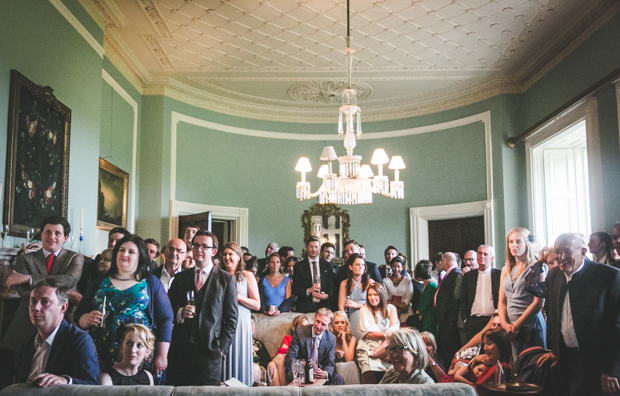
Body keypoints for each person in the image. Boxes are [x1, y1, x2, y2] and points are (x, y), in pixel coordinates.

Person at [75, 234, 173, 376]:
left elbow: (166, 318)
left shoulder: (150, 282)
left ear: (140, 257)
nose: (124, 254)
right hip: (101, 349)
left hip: (137, 352)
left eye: (131, 252)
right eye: (121, 250)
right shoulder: (99, 282)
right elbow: (80, 314)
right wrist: (87, 318)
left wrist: (162, 355)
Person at [538, 232, 620, 395]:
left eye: (567, 251)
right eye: (557, 251)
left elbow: (617, 327)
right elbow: (556, 316)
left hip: (598, 364)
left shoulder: (609, 276)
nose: (561, 257)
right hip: (567, 362)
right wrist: (556, 352)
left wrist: (612, 369)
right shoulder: (554, 275)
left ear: (583, 252)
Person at [4, 216, 84, 369]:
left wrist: (29, 278)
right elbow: (22, 291)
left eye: (57, 233)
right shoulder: (25, 259)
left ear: (65, 238)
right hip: (25, 324)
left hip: (62, 321)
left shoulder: (75, 258)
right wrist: (65, 293)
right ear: (41, 235)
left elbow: (69, 280)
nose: (51, 237)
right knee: (18, 373)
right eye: (47, 232)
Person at [166, 230, 238, 386]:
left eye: (204, 246)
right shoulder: (180, 278)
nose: (199, 250)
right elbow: (167, 309)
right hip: (181, 351)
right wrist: (180, 312)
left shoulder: (226, 280)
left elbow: (231, 319)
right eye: (196, 245)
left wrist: (221, 348)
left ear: (213, 251)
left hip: (210, 352)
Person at [17, 279, 99, 386]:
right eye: (33, 301)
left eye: (45, 302)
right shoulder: (28, 343)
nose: (36, 308)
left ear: (63, 307)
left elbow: (92, 385)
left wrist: (65, 381)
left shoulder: (80, 340)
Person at [498, 227, 546, 356]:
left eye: (518, 241)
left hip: (531, 324)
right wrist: (504, 324)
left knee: (533, 364)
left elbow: (538, 302)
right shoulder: (505, 269)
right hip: (510, 326)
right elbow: (502, 302)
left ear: (526, 243)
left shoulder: (537, 267)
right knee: (517, 366)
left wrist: (516, 326)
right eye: (511, 242)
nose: (514, 245)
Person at [222, 241, 261, 387]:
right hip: (223, 324)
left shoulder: (247, 276)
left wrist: (236, 296)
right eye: (225, 254)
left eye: (230, 254)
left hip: (241, 323)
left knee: (240, 361)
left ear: (239, 257)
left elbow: (257, 304)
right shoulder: (219, 275)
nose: (227, 257)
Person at [284, 308, 345, 385]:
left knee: (339, 379)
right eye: (317, 321)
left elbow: (330, 362)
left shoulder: (331, 338)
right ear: (314, 318)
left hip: (320, 372)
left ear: (328, 326)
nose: (318, 326)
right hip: (301, 371)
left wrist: (325, 373)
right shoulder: (300, 332)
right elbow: (291, 356)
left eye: (323, 324)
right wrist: (303, 368)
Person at [356, 283, 400, 384]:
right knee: (370, 373)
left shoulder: (391, 308)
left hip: (387, 346)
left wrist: (381, 349)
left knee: (392, 375)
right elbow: (366, 333)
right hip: (368, 347)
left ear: (381, 295)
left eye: (375, 294)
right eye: (370, 295)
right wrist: (386, 334)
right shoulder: (364, 309)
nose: (372, 298)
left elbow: (393, 332)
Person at [460, 245, 501, 341]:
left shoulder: (499, 275)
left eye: (485, 254)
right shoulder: (468, 276)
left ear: (492, 258)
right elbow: (463, 298)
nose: (482, 256)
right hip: (473, 322)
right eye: (479, 253)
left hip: (492, 321)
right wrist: (465, 319)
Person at [434, 252, 462, 367]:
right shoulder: (449, 274)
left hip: (449, 323)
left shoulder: (456, 274)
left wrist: (450, 322)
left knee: (449, 352)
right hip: (444, 322)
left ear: (444, 261)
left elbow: (455, 300)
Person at [293, 236, 334, 313]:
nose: (313, 249)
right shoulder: (299, 266)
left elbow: (332, 286)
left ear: (319, 248)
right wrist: (309, 290)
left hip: (323, 307)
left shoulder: (328, 266)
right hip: (304, 307)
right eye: (311, 246)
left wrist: (327, 295)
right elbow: (295, 289)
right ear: (307, 247)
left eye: (316, 247)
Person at [338, 253, 374, 339]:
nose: (361, 267)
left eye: (362, 265)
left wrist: (357, 305)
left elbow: (375, 304)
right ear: (350, 267)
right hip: (351, 316)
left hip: (367, 315)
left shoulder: (370, 282)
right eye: (357, 265)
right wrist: (344, 321)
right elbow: (341, 306)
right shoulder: (344, 283)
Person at [268, 315, 309, 386]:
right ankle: (280, 392)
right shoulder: (289, 338)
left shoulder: (308, 340)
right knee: (272, 364)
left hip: (293, 365)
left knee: (274, 362)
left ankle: (283, 390)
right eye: (301, 326)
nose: (304, 328)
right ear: (295, 328)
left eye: (306, 326)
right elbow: (281, 352)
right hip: (283, 361)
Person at [468, 328, 512, 394]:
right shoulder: (490, 364)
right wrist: (474, 360)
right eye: (484, 344)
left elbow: (477, 388)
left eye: (489, 344)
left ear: (501, 345)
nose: (485, 348)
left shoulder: (499, 368)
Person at [330, 311, 360, 384]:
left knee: (351, 364)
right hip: (332, 367)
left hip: (347, 367)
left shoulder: (352, 338)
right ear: (332, 325)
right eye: (336, 323)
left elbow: (349, 359)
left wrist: (343, 339)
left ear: (346, 324)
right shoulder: (329, 337)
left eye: (342, 322)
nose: (340, 325)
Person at [383, 256, 413, 324]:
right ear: (390, 267)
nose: (396, 269)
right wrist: (400, 306)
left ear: (402, 267)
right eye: (394, 266)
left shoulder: (407, 281)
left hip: (406, 315)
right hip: (390, 313)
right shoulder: (385, 281)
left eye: (398, 266)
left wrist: (400, 307)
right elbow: (386, 298)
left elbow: (408, 298)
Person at [410, 260, 437, 334]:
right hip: (425, 316)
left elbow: (425, 302)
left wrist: (419, 314)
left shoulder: (431, 285)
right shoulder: (428, 284)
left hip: (428, 317)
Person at [251, 315, 272, 384]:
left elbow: (267, 360)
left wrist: (258, 350)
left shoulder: (258, 343)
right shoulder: (238, 342)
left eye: (253, 323)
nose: (252, 326)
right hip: (248, 368)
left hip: (259, 369)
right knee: (255, 368)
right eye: (249, 323)